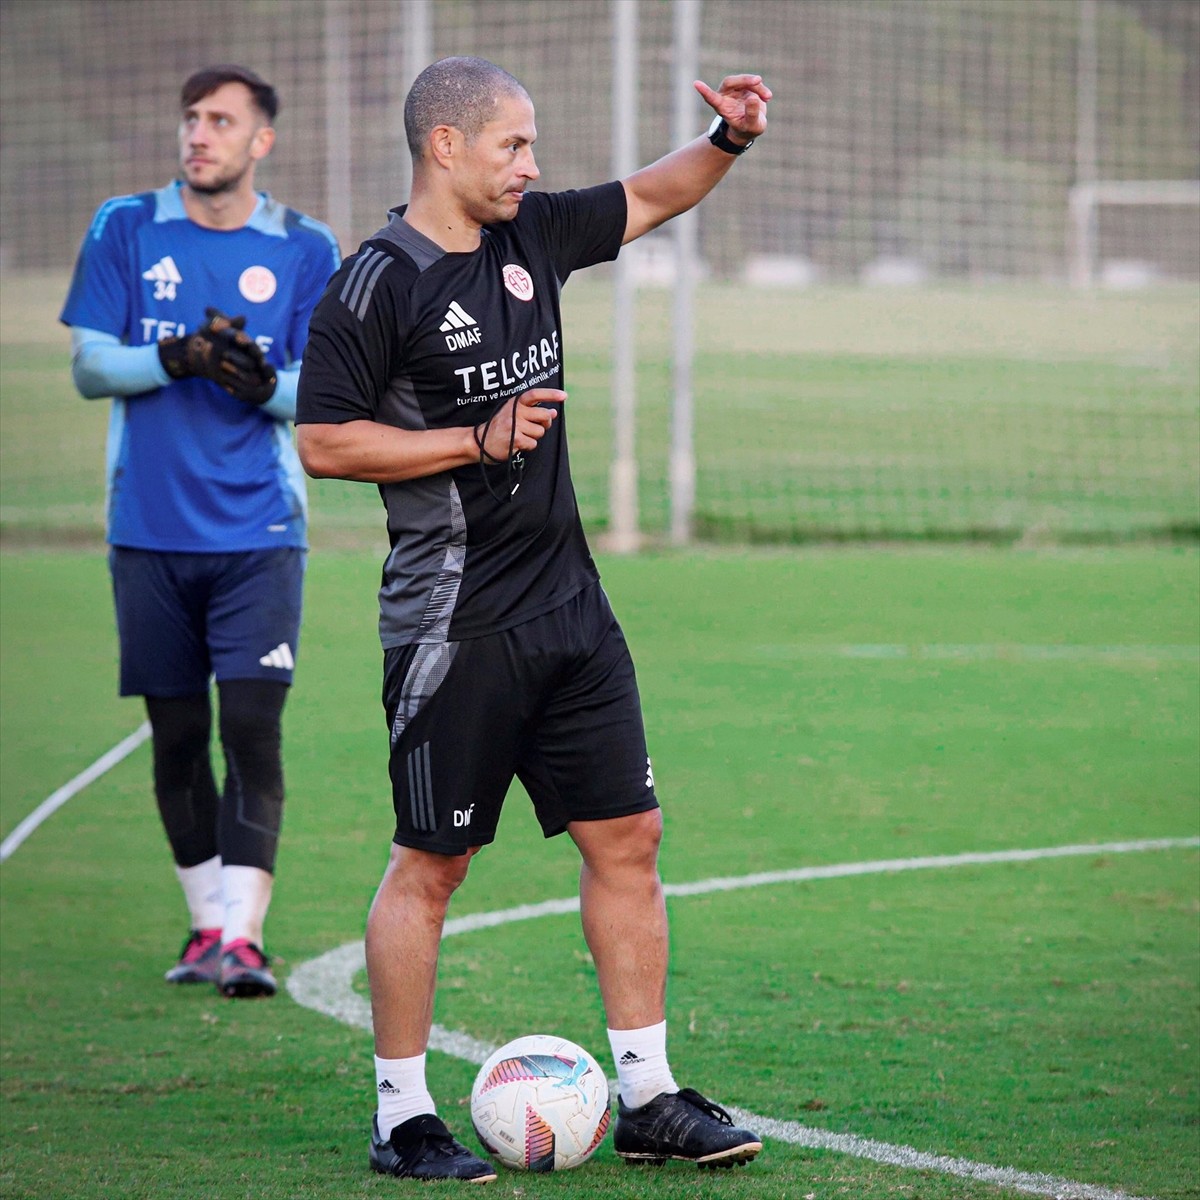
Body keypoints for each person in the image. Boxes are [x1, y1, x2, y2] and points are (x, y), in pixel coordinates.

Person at [296, 55, 771, 1181]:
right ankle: (403, 1116)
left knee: (631, 840)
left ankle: (649, 1095)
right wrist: (477, 437)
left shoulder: (530, 235)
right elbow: (324, 443)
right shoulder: (375, 282)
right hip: (452, 625)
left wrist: (733, 141)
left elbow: (651, 196)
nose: (533, 164)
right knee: (432, 864)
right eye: (512, 144)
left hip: (572, 610)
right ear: (444, 147)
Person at [60, 65, 341, 999]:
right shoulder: (125, 227)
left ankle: (246, 940)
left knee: (252, 732)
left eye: (221, 120)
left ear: (261, 140)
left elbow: (331, 393)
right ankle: (206, 924)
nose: (199, 133)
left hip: (261, 533)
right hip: (147, 531)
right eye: (191, 117)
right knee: (176, 739)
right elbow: (93, 367)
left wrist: (267, 386)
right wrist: (175, 356)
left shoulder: (305, 247)